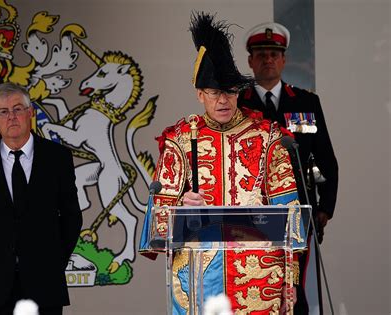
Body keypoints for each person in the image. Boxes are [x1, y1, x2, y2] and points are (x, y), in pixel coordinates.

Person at [140, 13, 304, 315]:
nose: (223, 100)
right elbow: (158, 228)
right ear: (200, 94)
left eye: (230, 91)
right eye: (215, 92)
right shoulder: (179, 139)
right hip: (199, 279)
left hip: (260, 279)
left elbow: (290, 211)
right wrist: (180, 208)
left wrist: (289, 280)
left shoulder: (267, 137)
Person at [238, 22, 339, 314]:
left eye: (274, 54)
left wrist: (325, 208)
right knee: (254, 284)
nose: (268, 59)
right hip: (250, 212)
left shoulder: (307, 102)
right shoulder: (237, 103)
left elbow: (326, 159)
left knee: (292, 287)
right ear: (250, 61)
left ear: (284, 60)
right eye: (261, 54)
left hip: (298, 209)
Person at [0, 82, 82, 315]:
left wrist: (54, 262)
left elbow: (71, 217)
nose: (12, 117)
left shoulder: (57, 158)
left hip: (45, 282)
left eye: (17, 109)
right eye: (3, 112)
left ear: (30, 112)